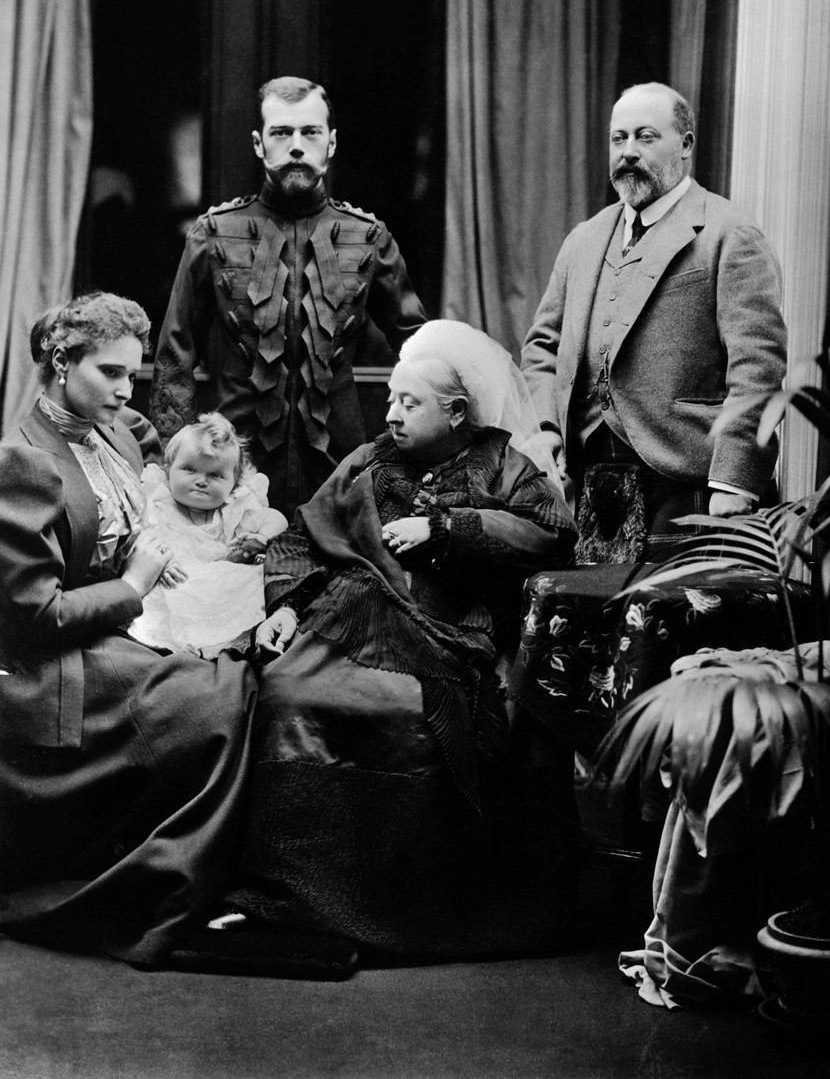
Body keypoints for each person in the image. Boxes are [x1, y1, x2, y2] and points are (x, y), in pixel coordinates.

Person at [174, 321, 580, 978]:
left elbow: (550, 533)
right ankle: (294, 896)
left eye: (408, 402)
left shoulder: (501, 463)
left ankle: (402, 905)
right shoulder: (367, 463)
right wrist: (282, 606)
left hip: (452, 629)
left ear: (456, 413)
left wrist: (448, 527)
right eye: (389, 398)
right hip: (348, 622)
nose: (390, 412)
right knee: (284, 695)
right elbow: (300, 538)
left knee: (406, 712)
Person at [0, 293, 257, 968]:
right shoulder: (23, 460)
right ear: (60, 363)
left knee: (245, 668)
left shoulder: (117, 431)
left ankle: (224, 877)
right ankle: (163, 892)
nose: (124, 390)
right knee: (213, 699)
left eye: (131, 375)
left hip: (129, 620)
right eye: (110, 373)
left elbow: (150, 504)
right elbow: (38, 616)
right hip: (62, 659)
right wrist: (137, 583)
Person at [520, 82, 788, 563]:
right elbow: (542, 345)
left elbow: (758, 370)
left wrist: (734, 480)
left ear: (685, 145)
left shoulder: (729, 235)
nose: (628, 153)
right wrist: (546, 427)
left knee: (669, 635)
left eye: (646, 137)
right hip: (587, 490)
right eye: (618, 139)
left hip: (688, 488)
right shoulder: (584, 240)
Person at [150, 75, 428, 517]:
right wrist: (175, 462)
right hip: (232, 468)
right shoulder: (212, 235)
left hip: (341, 470)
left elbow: (422, 353)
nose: (296, 146)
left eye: (310, 132)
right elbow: (173, 360)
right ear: (260, 145)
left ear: (331, 143)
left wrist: (419, 454)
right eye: (282, 132)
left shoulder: (369, 238)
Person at [127, 412, 288, 656]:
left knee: (251, 583)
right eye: (189, 469)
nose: (201, 481)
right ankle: (179, 646)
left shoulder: (234, 508)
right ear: (169, 471)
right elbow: (140, 538)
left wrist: (262, 538)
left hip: (223, 586)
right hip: (177, 581)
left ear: (234, 483)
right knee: (163, 595)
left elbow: (278, 519)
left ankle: (222, 645)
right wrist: (163, 562)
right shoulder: (158, 503)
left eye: (215, 475)